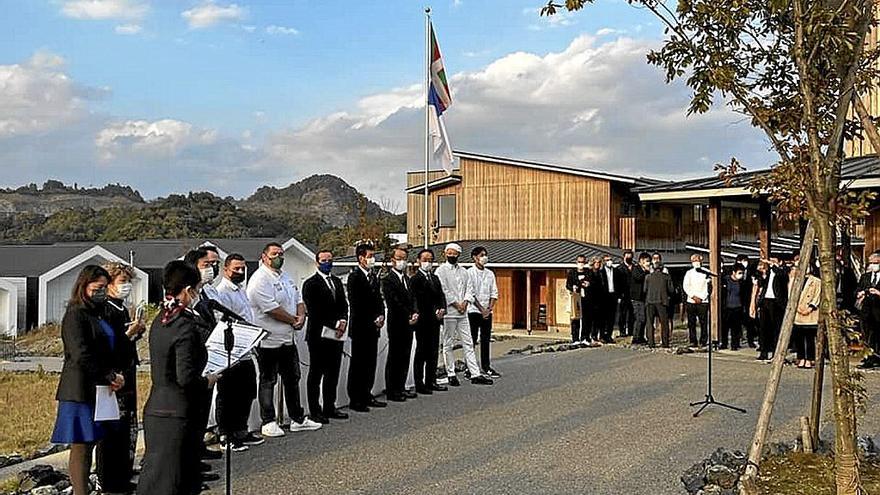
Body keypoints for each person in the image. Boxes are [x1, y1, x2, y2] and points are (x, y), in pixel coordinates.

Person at [137, 261, 220, 495]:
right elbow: (185, 377)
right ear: (187, 290)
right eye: (196, 289)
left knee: (158, 476)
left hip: (158, 407)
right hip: (178, 411)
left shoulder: (162, 318)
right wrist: (208, 381)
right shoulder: (185, 325)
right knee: (174, 480)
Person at [51, 265, 124, 495]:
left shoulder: (101, 313)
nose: (101, 292)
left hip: (101, 389)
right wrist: (108, 375)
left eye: (104, 287)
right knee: (81, 445)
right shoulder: (75, 314)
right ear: (84, 287)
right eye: (97, 288)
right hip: (80, 389)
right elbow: (81, 353)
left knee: (93, 442)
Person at [247, 242, 321, 437]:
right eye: (274, 254)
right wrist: (293, 320)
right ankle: (268, 421)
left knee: (292, 379)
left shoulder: (285, 276)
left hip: (288, 339)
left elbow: (298, 299)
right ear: (264, 257)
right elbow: (270, 308)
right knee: (268, 380)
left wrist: (301, 316)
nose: (279, 257)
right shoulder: (259, 280)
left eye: (281, 253)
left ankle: (297, 418)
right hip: (268, 339)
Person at [96, 262, 144, 494]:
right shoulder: (105, 309)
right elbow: (111, 344)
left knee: (127, 426)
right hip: (114, 375)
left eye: (128, 282)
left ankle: (123, 471)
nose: (126, 287)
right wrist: (129, 333)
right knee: (112, 428)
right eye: (121, 282)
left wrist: (136, 333)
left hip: (128, 369)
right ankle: (109, 479)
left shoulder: (121, 308)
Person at [212, 253, 264, 451]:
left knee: (248, 391)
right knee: (228, 394)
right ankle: (226, 434)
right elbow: (224, 321)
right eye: (236, 269)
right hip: (230, 351)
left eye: (243, 268)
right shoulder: (222, 292)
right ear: (226, 269)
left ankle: (241, 429)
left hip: (247, 349)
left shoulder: (241, 290)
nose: (240, 272)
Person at [435, 243, 493, 386]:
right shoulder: (440, 271)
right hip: (449, 312)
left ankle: (475, 373)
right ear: (445, 254)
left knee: (468, 342)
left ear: (458, 255)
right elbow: (443, 290)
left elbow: (469, 289)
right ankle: (451, 373)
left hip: (463, 312)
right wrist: (456, 304)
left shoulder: (464, 271)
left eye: (454, 253)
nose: (452, 255)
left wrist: (465, 303)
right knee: (448, 343)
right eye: (449, 253)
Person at [302, 250, 349, 423]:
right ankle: (315, 410)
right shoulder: (310, 284)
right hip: (318, 335)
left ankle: (330, 406)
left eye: (329, 260)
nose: (327, 263)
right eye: (323, 260)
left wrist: (343, 320)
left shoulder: (336, 281)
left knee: (333, 372)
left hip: (336, 336)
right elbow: (314, 310)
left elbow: (343, 304)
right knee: (316, 373)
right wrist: (334, 323)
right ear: (317, 263)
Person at [346, 243, 387, 412]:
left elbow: (378, 299)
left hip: (374, 328)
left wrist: (381, 315)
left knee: (371, 362)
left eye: (373, 256)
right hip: (360, 327)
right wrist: (372, 318)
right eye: (369, 256)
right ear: (361, 257)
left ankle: (367, 393)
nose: (372, 259)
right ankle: (356, 398)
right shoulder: (354, 277)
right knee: (359, 363)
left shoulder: (373, 277)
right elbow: (357, 304)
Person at [381, 247, 420, 400]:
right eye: (399, 258)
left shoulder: (407, 279)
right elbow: (393, 302)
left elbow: (413, 299)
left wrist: (415, 312)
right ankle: (392, 390)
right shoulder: (388, 280)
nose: (402, 261)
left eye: (404, 258)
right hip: (397, 322)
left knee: (405, 355)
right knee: (395, 357)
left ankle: (401, 386)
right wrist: (407, 315)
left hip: (409, 323)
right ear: (392, 260)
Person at [410, 249, 448, 394]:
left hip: (435, 320)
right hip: (423, 320)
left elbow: (441, 296)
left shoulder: (435, 278)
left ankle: (431, 380)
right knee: (421, 352)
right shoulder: (415, 279)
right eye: (425, 259)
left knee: (433, 352)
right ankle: (419, 383)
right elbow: (416, 300)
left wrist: (442, 308)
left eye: (430, 259)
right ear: (419, 261)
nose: (428, 262)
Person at [467, 246, 501, 377]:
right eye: (481, 255)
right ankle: (469, 367)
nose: (484, 257)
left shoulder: (490, 273)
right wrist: (481, 309)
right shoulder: (469, 273)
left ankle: (486, 366)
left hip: (487, 312)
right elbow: (471, 293)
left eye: (485, 255)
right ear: (475, 257)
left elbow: (494, 292)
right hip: (473, 311)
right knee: (472, 340)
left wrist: (489, 309)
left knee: (485, 339)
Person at [757, 255, 789, 360]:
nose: (771, 263)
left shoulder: (783, 271)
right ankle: (763, 351)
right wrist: (763, 275)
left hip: (777, 302)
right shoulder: (769, 271)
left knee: (776, 328)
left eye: (774, 261)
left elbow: (783, 277)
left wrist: (774, 266)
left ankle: (776, 352)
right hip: (765, 300)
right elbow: (761, 284)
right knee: (763, 327)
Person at [793, 263, 821, 368]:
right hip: (797, 312)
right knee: (799, 338)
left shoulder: (817, 281)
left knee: (809, 338)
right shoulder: (795, 279)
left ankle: (810, 358)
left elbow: (817, 296)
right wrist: (797, 307)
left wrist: (810, 308)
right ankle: (801, 358)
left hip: (810, 313)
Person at [645, 256, 675, 348]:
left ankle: (651, 343)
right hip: (662, 301)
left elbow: (645, 289)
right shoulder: (666, 277)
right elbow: (671, 290)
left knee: (649, 322)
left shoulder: (648, 277)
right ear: (662, 268)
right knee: (664, 323)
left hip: (650, 301)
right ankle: (665, 343)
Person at [857, 252, 880, 368]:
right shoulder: (865, 277)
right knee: (867, 336)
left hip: (879, 311)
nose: (872, 265)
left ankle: (878, 357)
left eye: (875, 263)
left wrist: (878, 293)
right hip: (866, 312)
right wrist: (860, 294)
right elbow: (858, 289)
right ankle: (868, 358)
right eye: (870, 263)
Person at [683, 254, 711, 347]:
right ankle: (693, 340)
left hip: (703, 301)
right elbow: (686, 286)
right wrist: (693, 297)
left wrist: (702, 297)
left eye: (697, 260)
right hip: (691, 301)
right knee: (691, 323)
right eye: (694, 260)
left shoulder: (707, 272)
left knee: (703, 322)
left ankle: (703, 340)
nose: (696, 262)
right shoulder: (689, 273)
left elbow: (710, 287)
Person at [720, 264, 746, 350]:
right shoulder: (725, 280)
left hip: (737, 307)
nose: (741, 275)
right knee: (725, 327)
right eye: (739, 273)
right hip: (727, 307)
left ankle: (735, 344)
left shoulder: (741, 282)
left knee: (736, 328)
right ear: (734, 272)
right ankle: (724, 343)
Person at [734, 255, 758, 348]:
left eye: (744, 261)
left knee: (750, 321)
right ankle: (737, 340)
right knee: (737, 321)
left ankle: (750, 339)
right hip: (737, 299)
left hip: (748, 298)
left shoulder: (751, 271)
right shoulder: (734, 270)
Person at [599, 254, 624, 343]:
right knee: (603, 317)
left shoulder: (616, 271)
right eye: (607, 260)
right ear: (604, 261)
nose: (609, 261)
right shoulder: (601, 272)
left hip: (614, 295)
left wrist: (619, 296)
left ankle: (609, 335)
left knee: (611, 317)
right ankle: (602, 335)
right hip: (604, 296)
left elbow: (620, 284)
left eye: (610, 259)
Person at [565, 255, 589, 343]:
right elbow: (567, 285)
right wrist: (573, 287)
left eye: (582, 262)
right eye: (579, 262)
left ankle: (584, 338)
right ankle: (575, 338)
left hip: (585, 298)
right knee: (575, 318)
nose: (581, 263)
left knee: (585, 318)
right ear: (576, 262)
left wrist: (588, 284)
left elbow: (591, 282)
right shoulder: (572, 273)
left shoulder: (587, 272)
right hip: (575, 297)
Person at [583, 257, 606, 343]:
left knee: (598, 319)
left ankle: (596, 335)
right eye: (596, 262)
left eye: (599, 262)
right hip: (591, 299)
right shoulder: (589, 273)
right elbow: (589, 284)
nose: (598, 264)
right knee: (590, 320)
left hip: (600, 299)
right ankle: (589, 336)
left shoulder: (601, 273)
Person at [629, 252, 651, 345]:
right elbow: (638, 278)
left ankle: (641, 337)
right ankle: (636, 337)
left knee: (644, 318)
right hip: (637, 298)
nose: (648, 263)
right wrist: (645, 271)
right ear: (641, 261)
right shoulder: (636, 269)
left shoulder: (647, 270)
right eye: (646, 261)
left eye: (649, 261)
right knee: (639, 318)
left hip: (644, 297)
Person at [616, 250, 636, 337]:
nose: (629, 258)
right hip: (623, 295)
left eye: (630, 256)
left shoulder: (635, 268)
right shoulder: (619, 268)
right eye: (627, 256)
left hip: (633, 294)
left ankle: (631, 330)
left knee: (632, 314)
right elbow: (617, 283)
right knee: (622, 314)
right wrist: (619, 295)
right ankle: (622, 331)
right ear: (624, 257)